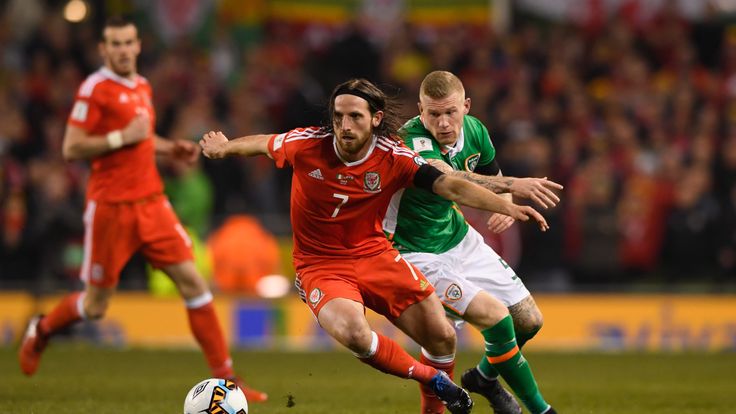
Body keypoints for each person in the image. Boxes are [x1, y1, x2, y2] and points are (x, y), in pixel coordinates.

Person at [199, 78, 550, 413]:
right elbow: (263, 142)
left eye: (355, 117)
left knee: (442, 337)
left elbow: (449, 186)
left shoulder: (393, 155)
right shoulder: (307, 144)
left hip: (375, 254)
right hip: (321, 264)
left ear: (375, 119)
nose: (344, 125)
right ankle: (431, 378)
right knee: (354, 333)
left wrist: (505, 202)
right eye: (338, 116)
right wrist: (225, 147)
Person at [17, 16, 267, 403]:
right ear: (104, 50)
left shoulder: (141, 86)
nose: (121, 50)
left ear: (137, 46)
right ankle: (43, 331)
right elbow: (71, 147)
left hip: (151, 201)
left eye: (127, 42)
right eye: (113, 44)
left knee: (194, 285)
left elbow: (142, 139)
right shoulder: (94, 89)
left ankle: (228, 379)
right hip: (111, 207)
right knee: (96, 305)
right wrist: (122, 136)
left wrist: (171, 148)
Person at [385, 70, 561, 414]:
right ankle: (543, 411)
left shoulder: (477, 131)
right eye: (433, 114)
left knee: (528, 321)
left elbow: (492, 177)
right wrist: (512, 186)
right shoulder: (410, 139)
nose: (443, 122)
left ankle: (483, 378)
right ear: (421, 111)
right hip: (415, 254)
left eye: (450, 112)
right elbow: (446, 178)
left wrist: (507, 204)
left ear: (466, 106)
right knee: (493, 322)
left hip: (459, 238)